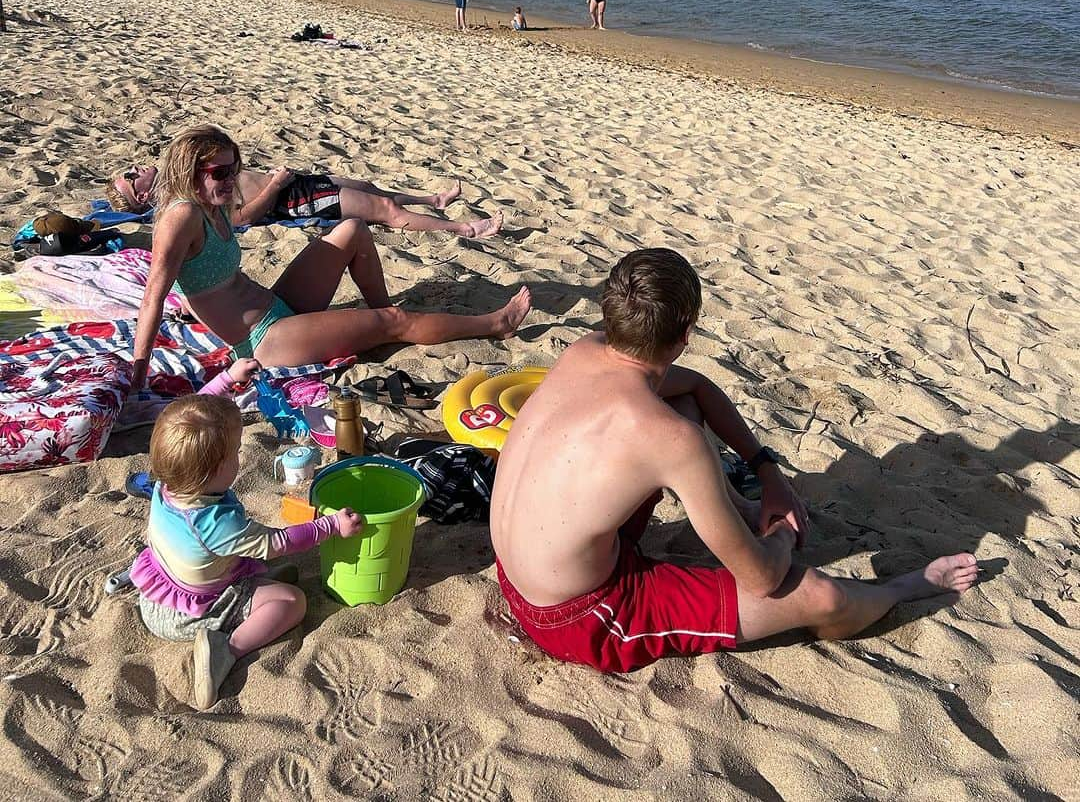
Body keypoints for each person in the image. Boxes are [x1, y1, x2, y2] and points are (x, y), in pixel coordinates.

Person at [491, 248, 979, 673]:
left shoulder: (584, 350)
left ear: (610, 315)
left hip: (515, 574)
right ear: (685, 333)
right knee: (821, 596)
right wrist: (784, 530)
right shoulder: (670, 438)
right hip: (576, 617)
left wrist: (768, 475)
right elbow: (763, 580)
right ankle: (903, 590)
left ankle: (738, 514)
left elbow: (699, 388)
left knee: (683, 403)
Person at [130, 125, 531, 390]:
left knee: (353, 230)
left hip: (277, 306)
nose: (231, 180)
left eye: (234, 169)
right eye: (221, 173)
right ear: (190, 170)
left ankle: (378, 316)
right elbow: (153, 296)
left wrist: (270, 187)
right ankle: (496, 324)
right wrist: (138, 369)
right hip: (263, 341)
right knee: (396, 323)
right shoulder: (180, 217)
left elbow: (241, 219)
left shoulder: (212, 203)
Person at [130, 361, 363, 708]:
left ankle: (249, 589)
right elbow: (277, 543)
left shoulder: (168, 480)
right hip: (191, 612)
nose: (240, 456)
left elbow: (190, 413)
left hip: (157, 590)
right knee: (291, 602)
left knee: (254, 575)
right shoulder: (216, 523)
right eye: (236, 453)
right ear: (214, 469)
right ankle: (226, 649)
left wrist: (226, 380)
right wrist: (331, 526)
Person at [109, 160, 503, 239]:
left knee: (367, 187)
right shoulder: (185, 198)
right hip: (291, 200)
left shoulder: (177, 172)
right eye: (130, 177)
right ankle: (466, 228)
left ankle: (433, 200)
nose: (134, 167)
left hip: (293, 184)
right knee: (384, 211)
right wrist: (275, 186)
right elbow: (243, 218)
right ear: (142, 195)